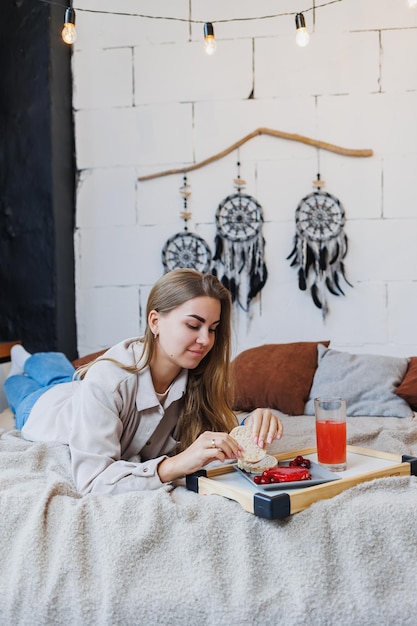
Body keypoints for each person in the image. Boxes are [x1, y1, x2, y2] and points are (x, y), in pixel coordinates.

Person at [4, 269, 283, 495]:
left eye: (212, 329)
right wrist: (172, 466)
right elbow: (93, 481)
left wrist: (251, 426)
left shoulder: (196, 374)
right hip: (44, 409)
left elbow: (218, 431)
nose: (206, 340)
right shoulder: (108, 380)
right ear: (155, 321)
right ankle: (20, 357)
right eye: (193, 325)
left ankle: (25, 357)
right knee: (23, 385)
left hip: (80, 390)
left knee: (63, 376)